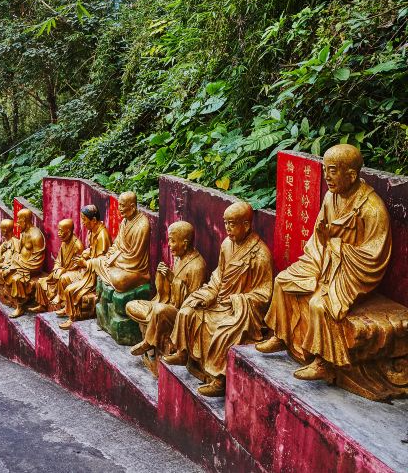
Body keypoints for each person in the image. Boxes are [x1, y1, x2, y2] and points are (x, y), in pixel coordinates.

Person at [257, 144, 392, 381]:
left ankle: (323, 362)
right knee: (283, 281)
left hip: (353, 272)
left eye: (333, 170)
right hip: (323, 258)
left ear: (351, 175)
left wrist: (337, 248)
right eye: (325, 170)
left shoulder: (372, 208)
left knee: (320, 304)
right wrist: (323, 239)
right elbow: (319, 236)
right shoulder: (331, 197)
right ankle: (281, 335)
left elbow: (374, 257)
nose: (327, 177)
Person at [166, 202, 274, 397]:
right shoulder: (226, 245)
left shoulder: (260, 254)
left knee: (224, 331)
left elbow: (264, 293)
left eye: (232, 224)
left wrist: (237, 300)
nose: (227, 229)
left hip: (241, 309)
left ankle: (219, 379)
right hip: (219, 300)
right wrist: (208, 294)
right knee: (189, 308)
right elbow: (218, 277)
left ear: (246, 225)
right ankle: (183, 352)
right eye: (225, 223)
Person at [126, 221, 207, 360]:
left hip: (181, 314)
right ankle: (155, 323)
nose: (169, 245)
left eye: (172, 241)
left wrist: (172, 279)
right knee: (131, 305)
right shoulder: (179, 258)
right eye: (169, 240)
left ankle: (148, 342)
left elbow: (192, 303)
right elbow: (166, 293)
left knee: (159, 310)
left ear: (185, 243)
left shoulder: (197, 266)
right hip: (167, 303)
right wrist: (163, 276)